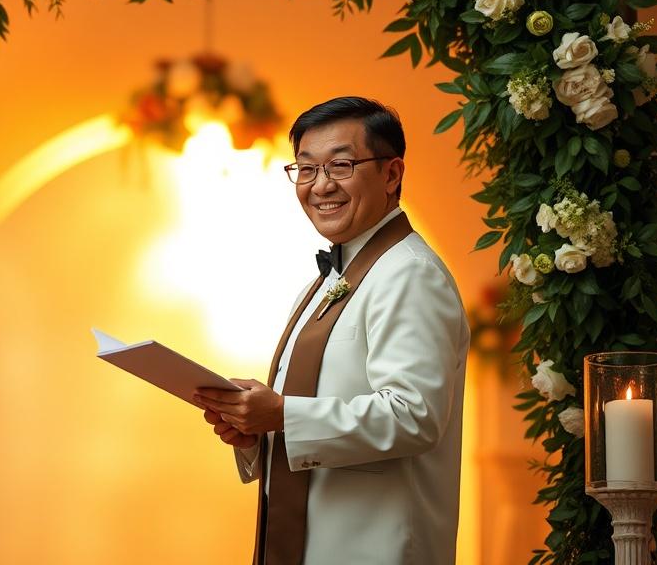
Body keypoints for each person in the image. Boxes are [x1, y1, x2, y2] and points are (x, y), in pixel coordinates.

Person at [194, 96, 469, 565]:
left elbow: (414, 416)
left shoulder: (410, 273)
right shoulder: (324, 282)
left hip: (377, 549)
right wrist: (256, 432)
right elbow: (316, 410)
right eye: (305, 169)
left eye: (340, 165)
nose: (320, 185)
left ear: (391, 174)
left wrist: (282, 415)